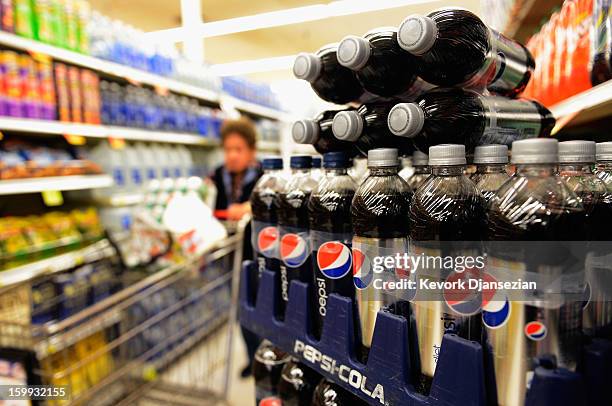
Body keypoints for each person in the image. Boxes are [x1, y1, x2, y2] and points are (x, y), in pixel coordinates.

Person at [210, 117, 263, 378]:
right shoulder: (218, 176)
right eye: (227, 149)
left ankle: (261, 356)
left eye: (238, 149)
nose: (231, 155)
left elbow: (267, 206)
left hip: (255, 254)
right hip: (228, 253)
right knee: (239, 309)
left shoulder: (264, 177)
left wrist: (247, 208)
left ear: (251, 150)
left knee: (257, 307)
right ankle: (251, 357)